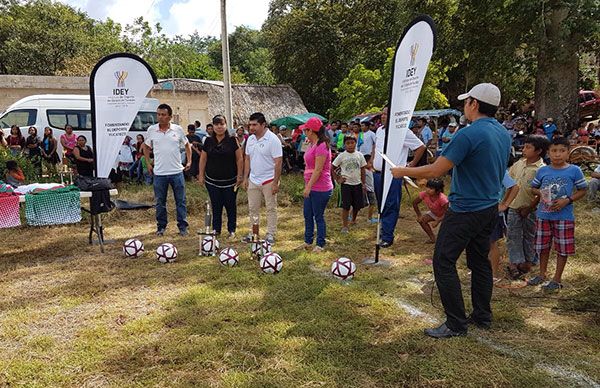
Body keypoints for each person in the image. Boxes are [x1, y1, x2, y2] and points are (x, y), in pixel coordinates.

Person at [391, 83, 511, 338]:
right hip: (489, 207)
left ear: (474, 104)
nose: (464, 107)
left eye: (466, 102)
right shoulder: (502, 132)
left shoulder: (468, 134)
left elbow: (437, 170)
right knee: (479, 262)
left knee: (443, 261)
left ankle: (456, 323)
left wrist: (403, 171)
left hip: (466, 208)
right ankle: (482, 315)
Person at [527, 137, 588, 291]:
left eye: (562, 151)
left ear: (568, 153)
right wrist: (541, 193)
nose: (557, 154)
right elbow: (533, 187)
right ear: (548, 153)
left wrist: (567, 200)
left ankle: (557, 278)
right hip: (543, 215)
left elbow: (583, 190)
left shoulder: (574, 170)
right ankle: (542, 274)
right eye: (554, 151)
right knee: (542, 247)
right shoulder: (543, 170)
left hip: (564, 217)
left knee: (562, 248)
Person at [370, 106, 426, 248]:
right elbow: (376, 147)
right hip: (377, 173)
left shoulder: (403, 132)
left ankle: (388, 236)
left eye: (386, 114)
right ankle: (383, 230)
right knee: (381, 203)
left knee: (391, 204)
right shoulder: (379, 130)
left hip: (393, 174)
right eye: (382, 114)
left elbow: (420, 147)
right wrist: (372, 161)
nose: (383, 116)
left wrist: (411, 165)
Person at [143, 103, 192, 236]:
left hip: (176, 172)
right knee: (160, 202)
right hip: (159, 173)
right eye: (158, 114)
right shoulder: (151, 130)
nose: (160, 117)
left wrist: (189, 161)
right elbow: (145, 147)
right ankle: (161, 227)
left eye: (163, 115)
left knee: (180, 201)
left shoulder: (178, 130)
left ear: (170, 117)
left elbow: (187, 145)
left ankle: (183, 227)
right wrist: (148, 163)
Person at [506, 135, 549, 279]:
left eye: (528, 147)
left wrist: (529, 208)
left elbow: (541, 193)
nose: (524, 149)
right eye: (524, 146)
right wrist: (505, 202)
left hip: (531, 209)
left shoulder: (542, 169)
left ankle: (528, 261)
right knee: (513, 235)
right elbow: (510, 184)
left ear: (538, 151)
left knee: (530, 235)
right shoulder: (519, 164)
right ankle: (515, 262)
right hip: (513, 206)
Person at [199, 115, 244, 239]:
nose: (219, 127)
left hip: (230, 181)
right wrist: (201, 175)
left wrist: (240, 176)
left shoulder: (233, 140)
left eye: (222, 124)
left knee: (230, 206)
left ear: (225, 126)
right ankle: (216, 230)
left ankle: (231, 230)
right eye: (216, 124)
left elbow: (239, 159)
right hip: (212, 181)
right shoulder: (208, 141)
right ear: (212, 126)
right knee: (216, 205)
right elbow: (203, 159)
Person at [242, 112, 283, 244]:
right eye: (250, 125)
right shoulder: (250, 139)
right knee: (253, 208)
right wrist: (245, 178)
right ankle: (253, 233)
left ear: (263, 124)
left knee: (271, 208)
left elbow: (278, 162)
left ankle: (270, 234)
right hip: (253, 180)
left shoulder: (273, 139)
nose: (251, 127)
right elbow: (247, 159)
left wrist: (276, 182)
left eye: (254, 125)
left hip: (269, 180)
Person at [299, 117, 333, 252]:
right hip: (311, 185)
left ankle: (320, 243)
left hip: (320, 187)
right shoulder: (312, 144)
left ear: (311, 130)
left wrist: (308, 186)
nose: (304, 132)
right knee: (307, 214)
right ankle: (308, 241)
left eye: (305, 130)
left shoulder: (322, 146)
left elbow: (318, 169)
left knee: (318, 215)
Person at [488, 169, 519, 281]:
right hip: (478, 212)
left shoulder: (498, 169)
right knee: (480, 243)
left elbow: (514, 187)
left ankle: (494, 274)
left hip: (493, 213)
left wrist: (505, 204)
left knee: (492, 243)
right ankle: (481, 269)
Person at [332, 136, 367, 233]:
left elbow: (363, 169)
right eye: (348, 143)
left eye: (352, 143)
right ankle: (345, 226)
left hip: (357, 184)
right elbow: (333, 167)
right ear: (344, 145)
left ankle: (353, 220)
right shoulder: (342, 156)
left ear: (356, 143)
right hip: (346, 184)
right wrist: (338, 178)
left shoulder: (359, 155)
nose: (350, 145)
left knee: (357, 205)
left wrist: (364, 183)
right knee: (346, 206)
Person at [412, 178, 449, 243]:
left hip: (446, 215)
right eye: (427, 187)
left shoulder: (442, 199)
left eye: (431, 188)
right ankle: (432, 238)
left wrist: (438, 221)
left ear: (438, 191)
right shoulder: (424, 194)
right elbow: (415, 203)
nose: (428, 190)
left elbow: (448, 212)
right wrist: (419, 215)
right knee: (422, 220)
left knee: (448, 230)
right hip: (435, 213)